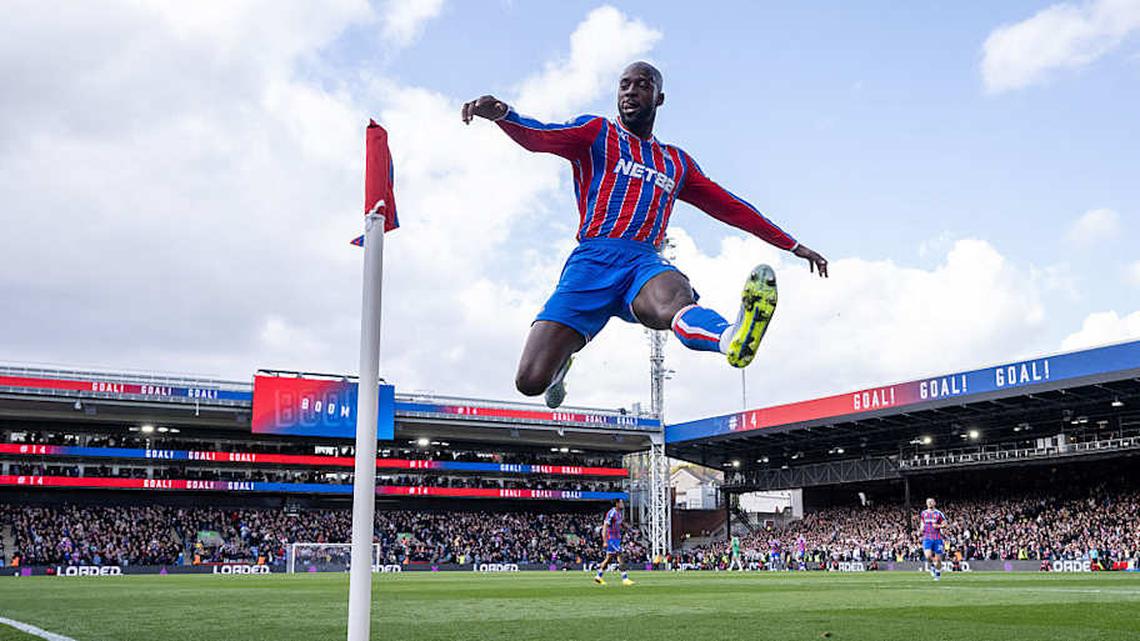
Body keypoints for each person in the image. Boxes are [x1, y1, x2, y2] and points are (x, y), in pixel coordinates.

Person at [462, 61, 828, 408]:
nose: (631, 91)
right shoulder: (596, 133)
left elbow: (731, 207)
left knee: (674, 302)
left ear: (659, 98)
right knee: (529, 381)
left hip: (643, 262)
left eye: (642, 85)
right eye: (624, 85)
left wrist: (793, 245)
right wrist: (504, 115)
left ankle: (730, 337)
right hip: (592, 262)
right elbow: (542, 136)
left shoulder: (676, 162)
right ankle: (559, 368)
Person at [594, 498, 633, 586]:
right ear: (617, 504)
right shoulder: (611, 513)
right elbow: (605, 526)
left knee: (608, 559)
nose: (623, 504)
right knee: (620, 555)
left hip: (616, 539)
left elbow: (620, 523)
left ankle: (598, 576)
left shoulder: (619, 513)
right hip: (611, 539)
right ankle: (625, 578)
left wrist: (629, 529)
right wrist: (605, 541)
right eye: (621, 503)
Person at [920, 497, 948, 581]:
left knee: (938, 559)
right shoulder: (923, 513)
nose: (929, 503)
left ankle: (938, 573)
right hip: (927, 538)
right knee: (928, 556)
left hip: (937, 538)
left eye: (931, 502)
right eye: (928, 502)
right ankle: (932, 567)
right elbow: (922, 522)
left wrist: (938, 526)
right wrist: (921, 529)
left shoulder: (939, 513)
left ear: (934, 503)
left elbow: (945, 524)